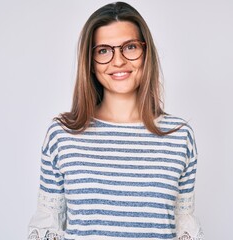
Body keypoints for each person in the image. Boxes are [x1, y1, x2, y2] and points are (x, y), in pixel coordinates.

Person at [28, 2, 204, 240]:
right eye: (103, 50)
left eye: (129, 47)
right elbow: (47, 226)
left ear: (146, 53)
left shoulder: (179, 136)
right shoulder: (62, 134)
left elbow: (185, 226)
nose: (118, 61)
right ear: (90, 62)